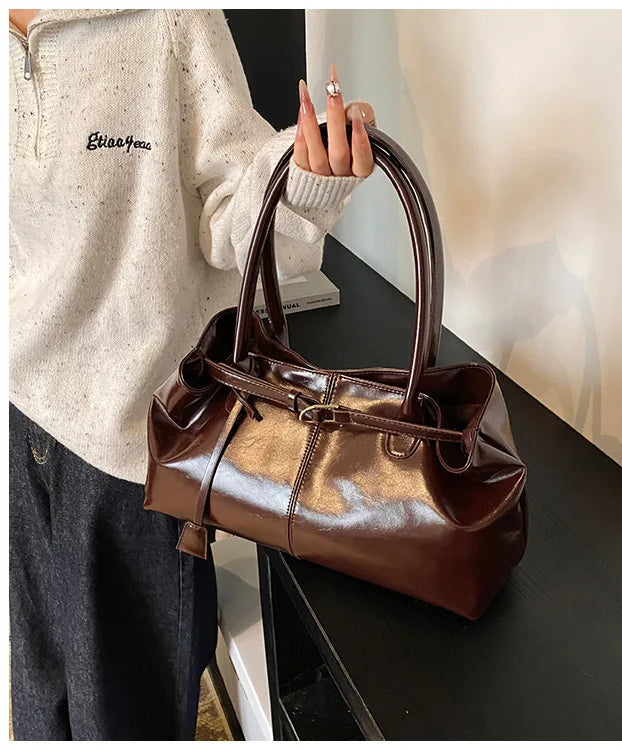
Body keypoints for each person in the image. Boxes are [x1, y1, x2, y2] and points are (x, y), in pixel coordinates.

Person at [9, 8, 376, 741]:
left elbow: (230, 215)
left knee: (126, 721)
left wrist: (301, 184)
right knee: (39, 705)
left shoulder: (170, 20)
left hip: (138, 454)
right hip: (20, 427)